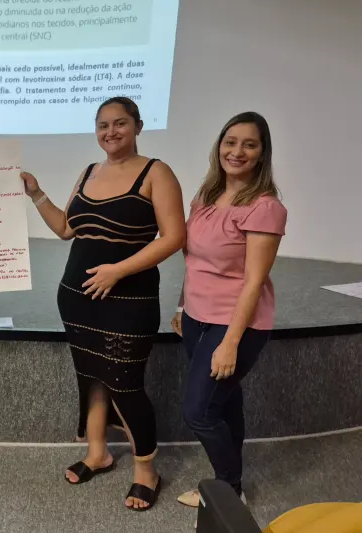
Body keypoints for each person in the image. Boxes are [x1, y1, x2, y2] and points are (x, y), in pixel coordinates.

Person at [21, 97, 186, 510]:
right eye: (102, 125)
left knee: (126, 385)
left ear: (138, 126)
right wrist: (37, 193)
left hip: (129, 299)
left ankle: (147, 470)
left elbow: (173, 237)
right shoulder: (89, 172)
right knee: (91, 378)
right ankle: (98, 452)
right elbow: (65, 229)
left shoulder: (157, 172)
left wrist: (118, 270)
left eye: (120, 124)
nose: (110, 132)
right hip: (77, 299)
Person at [172, 112, 287, 516]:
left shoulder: (265, 207)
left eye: (249, 144)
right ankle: (231, 483)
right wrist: (183, 305)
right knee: (224, 401)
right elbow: (194, 260)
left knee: (199, 412)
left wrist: (230, 344)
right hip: (197, 317)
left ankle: (228, 487)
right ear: (219, 145)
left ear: (261, 153)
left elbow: (254, 282)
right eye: (230, 141)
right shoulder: (205, 197)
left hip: (234, 323)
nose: (237, 151)